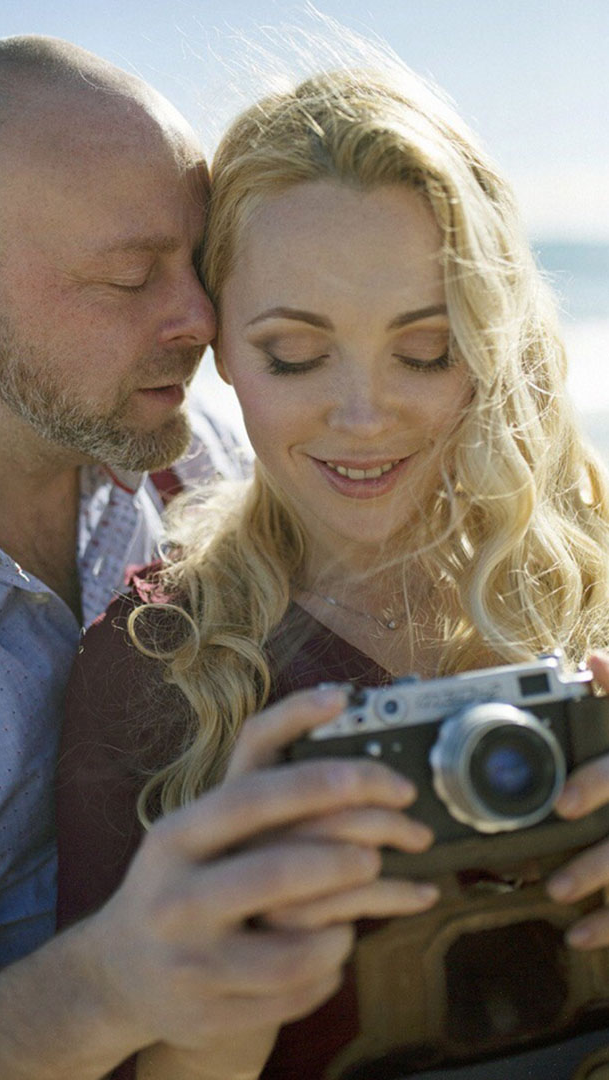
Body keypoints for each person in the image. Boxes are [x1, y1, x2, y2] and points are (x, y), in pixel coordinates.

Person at [0, 33, 439, 1080]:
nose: (201, 321)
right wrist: (104, 988)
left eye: (200, 262)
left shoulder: (231, 465)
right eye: (130, 276)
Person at [55, 43, 609, 1080]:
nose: (362, 417)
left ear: (488, 340)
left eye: (425, 350)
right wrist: (235, 981)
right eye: (296, 354)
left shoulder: (596, 587)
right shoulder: (153, 664)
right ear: (222, 349)